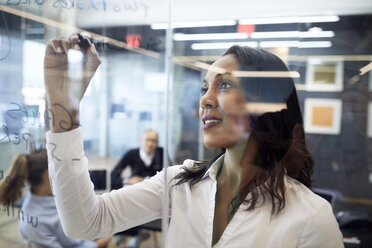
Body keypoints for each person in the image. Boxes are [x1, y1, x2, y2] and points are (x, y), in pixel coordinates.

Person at [43, 35, 344, 248]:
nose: (205, 99)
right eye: (204, 88)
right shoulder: (181, 183)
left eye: (224, 85)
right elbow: (84, 222)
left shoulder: (310, 218)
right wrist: (63, 108)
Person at [0, 150, 111, 248]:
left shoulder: (51, 194)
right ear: (48, 174)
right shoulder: (32, 224)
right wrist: (98, 244)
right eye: (60, 169)